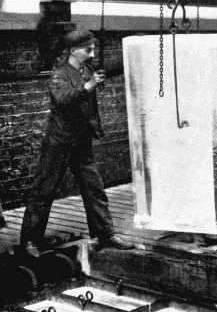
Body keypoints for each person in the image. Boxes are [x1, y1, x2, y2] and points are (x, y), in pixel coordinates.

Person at [20, 29, 133, 257]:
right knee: (44, 191)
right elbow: (63, 99)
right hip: (59, 143)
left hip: (81, 143)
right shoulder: (58, 75)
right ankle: (30, 242)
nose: (92, 54)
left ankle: (105, 233)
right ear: (73, 50)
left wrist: (133, 48)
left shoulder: (87, 70)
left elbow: (107, 70)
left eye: (93, 49)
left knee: (94, 189)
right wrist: (88, 85)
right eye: (87, 50)